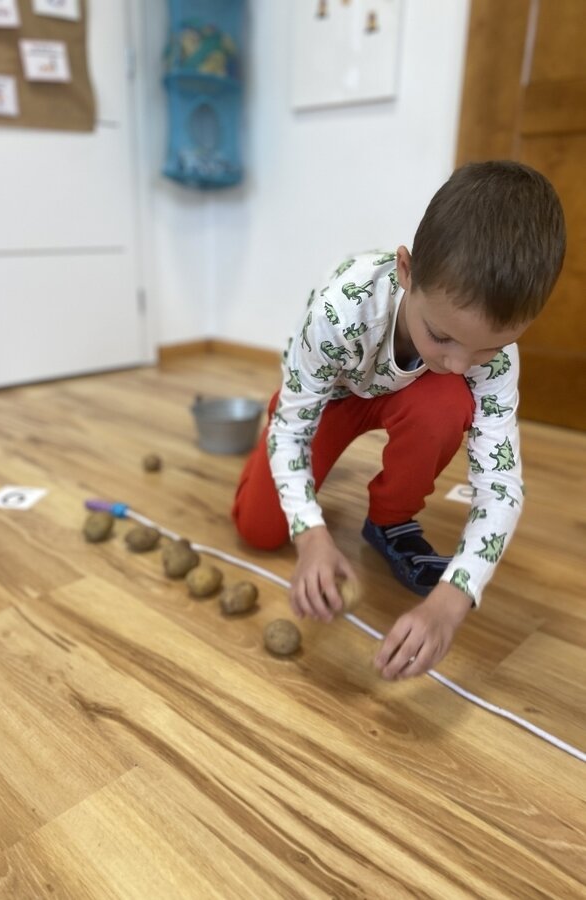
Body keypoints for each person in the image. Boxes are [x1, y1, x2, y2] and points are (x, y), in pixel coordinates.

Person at [232, 161, 566, 680]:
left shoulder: (491, 356)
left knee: (448, 401)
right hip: (331, 398)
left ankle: (389, 521)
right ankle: (276, 468)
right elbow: (295, 430)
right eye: (442, 336)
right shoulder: (339, 312)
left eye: (487, 349)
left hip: (410, 399)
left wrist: (453, 599)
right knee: (259, 529)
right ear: (406, 271)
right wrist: (311, 534)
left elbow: (501, 486)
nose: (460, 363)